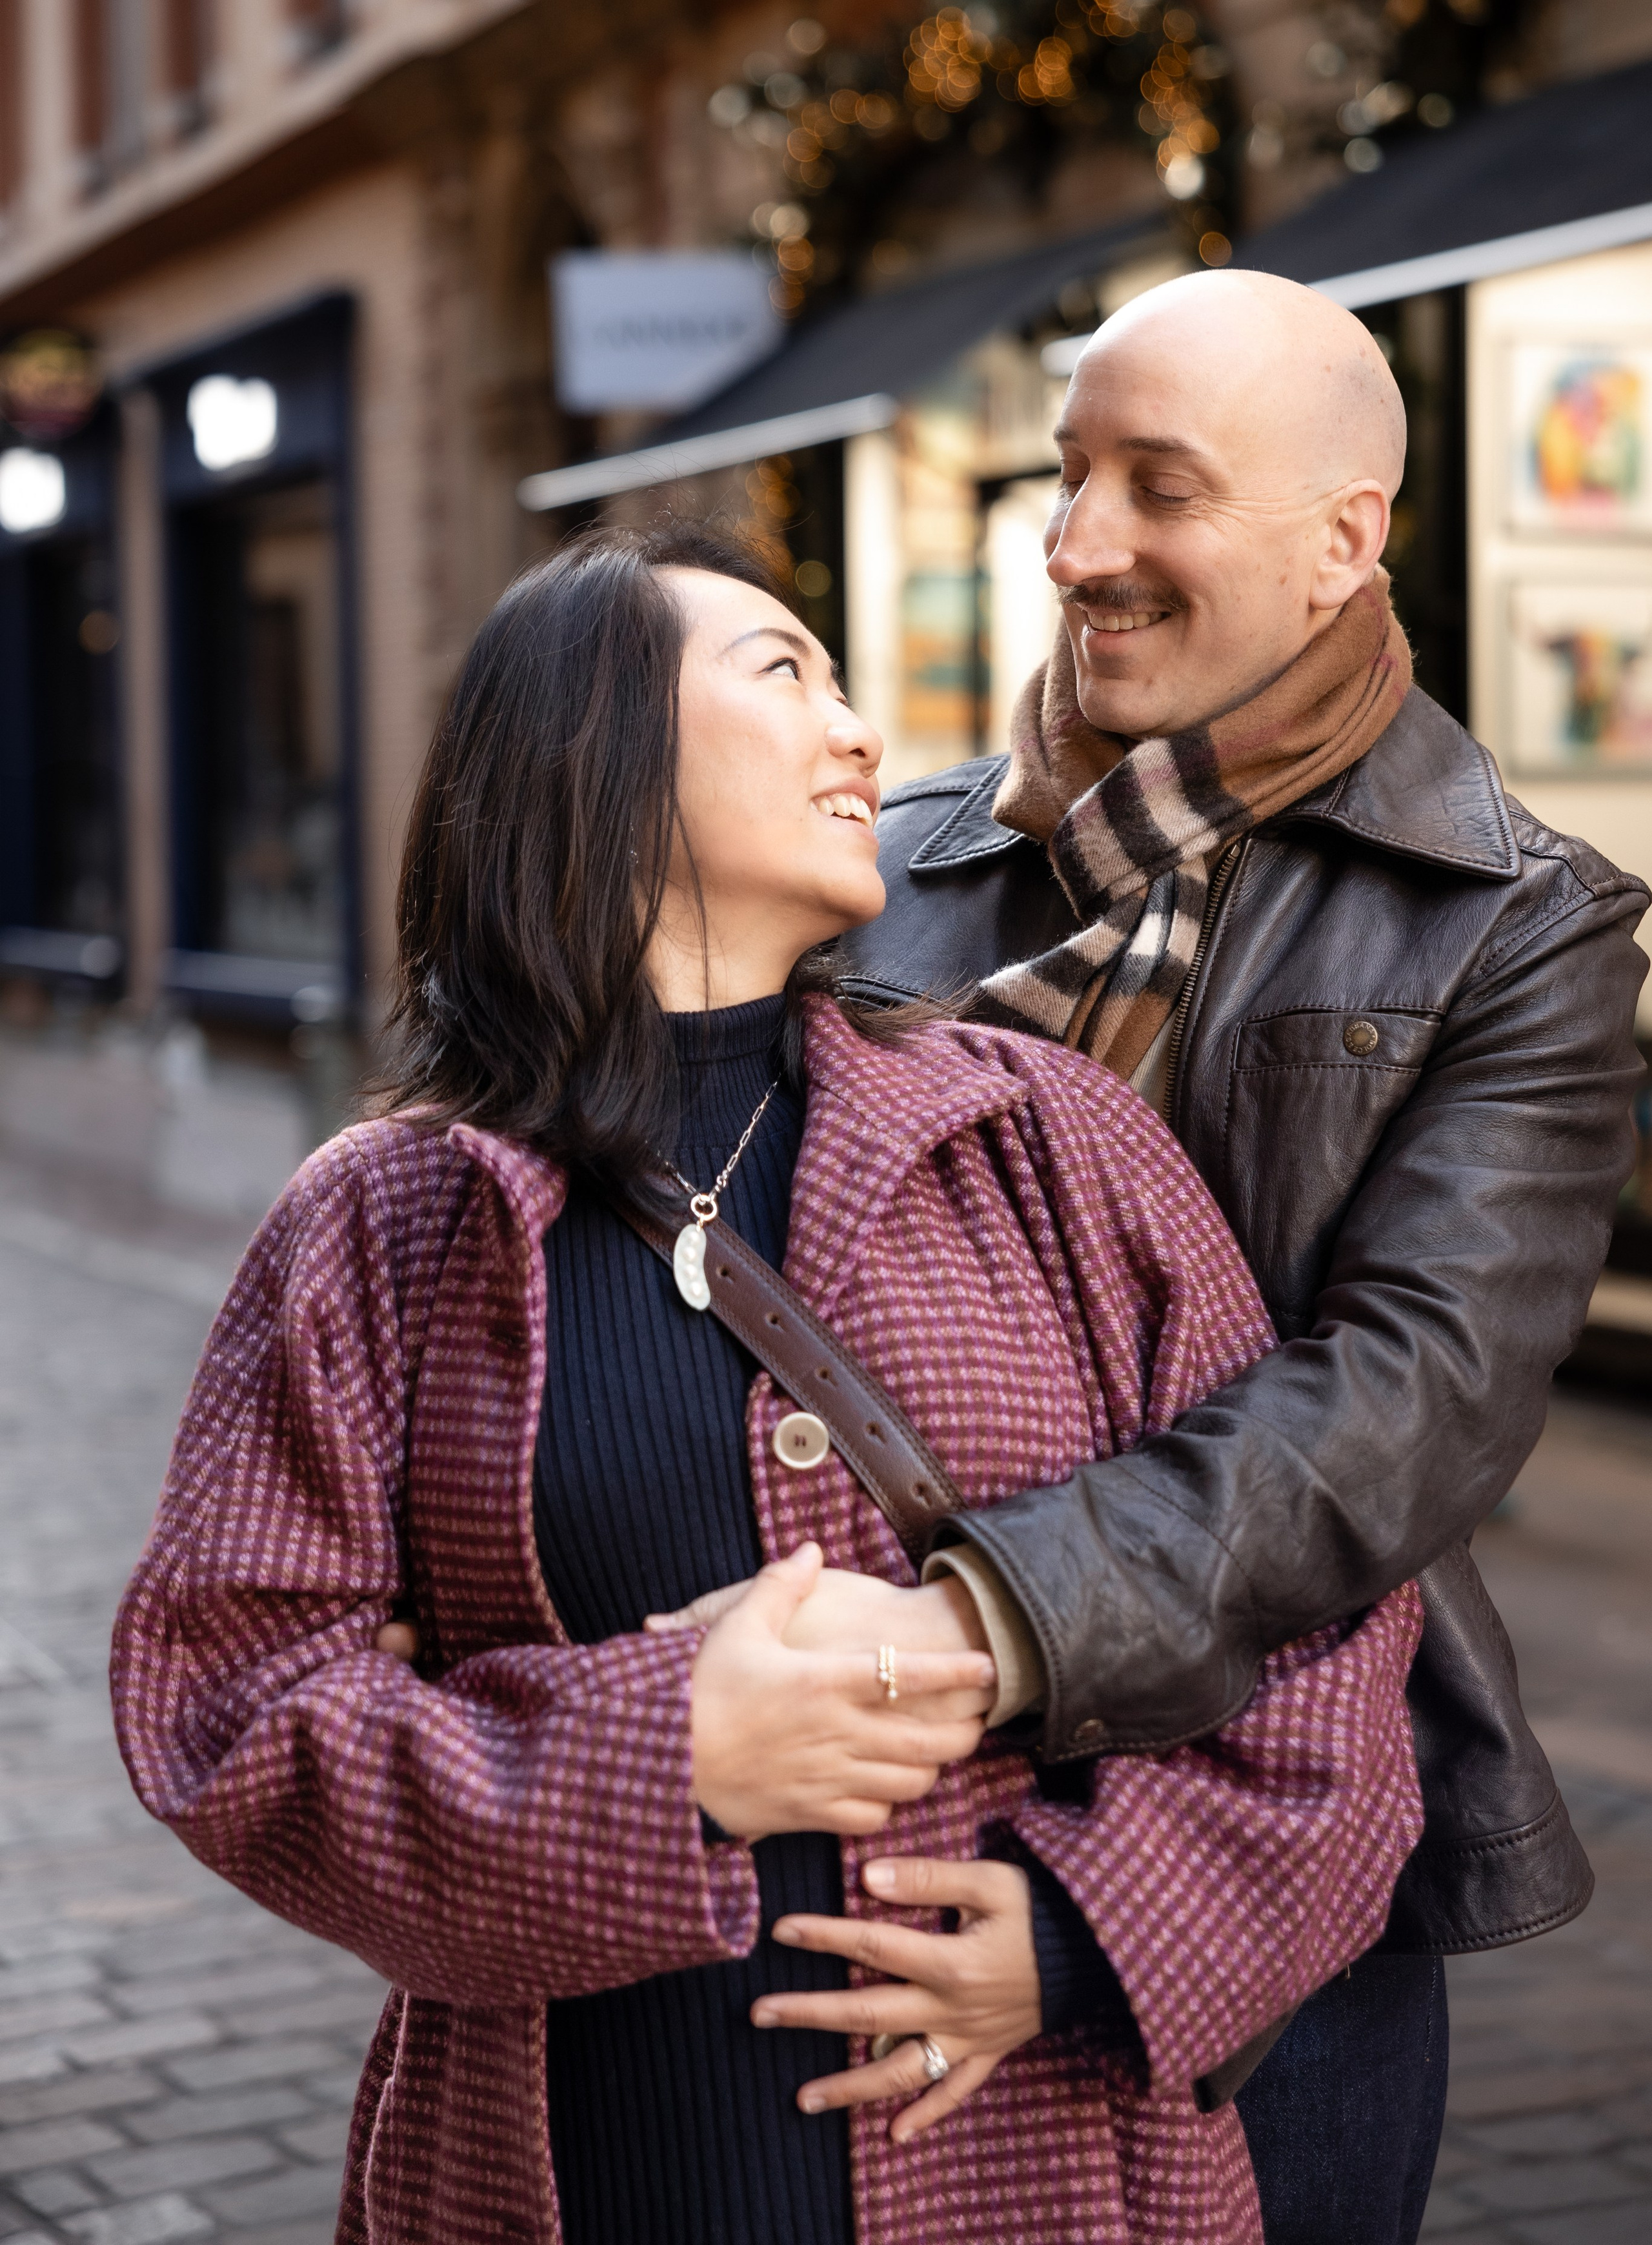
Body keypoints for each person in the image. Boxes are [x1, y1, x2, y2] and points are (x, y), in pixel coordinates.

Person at [114, 524, 1424, 2245]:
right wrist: (664, 1757)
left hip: (1048, 2159)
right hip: (576, 2160)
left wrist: (1095, 1936)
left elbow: (1320, 1608)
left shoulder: (1049, 1137)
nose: (863, 730)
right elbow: (226, 1704)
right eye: (786, 673)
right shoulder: (383, 1221)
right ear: (599, 754)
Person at [824, 267, 1650, 2245]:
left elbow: (1410, 1407)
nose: (1076, 545)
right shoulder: (885, 860)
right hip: (873, 1800)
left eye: (1158, 487)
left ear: (1343, 538)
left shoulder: (1524, 929)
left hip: (1278, 1832)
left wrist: (981, 1622)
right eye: (1068, 473)